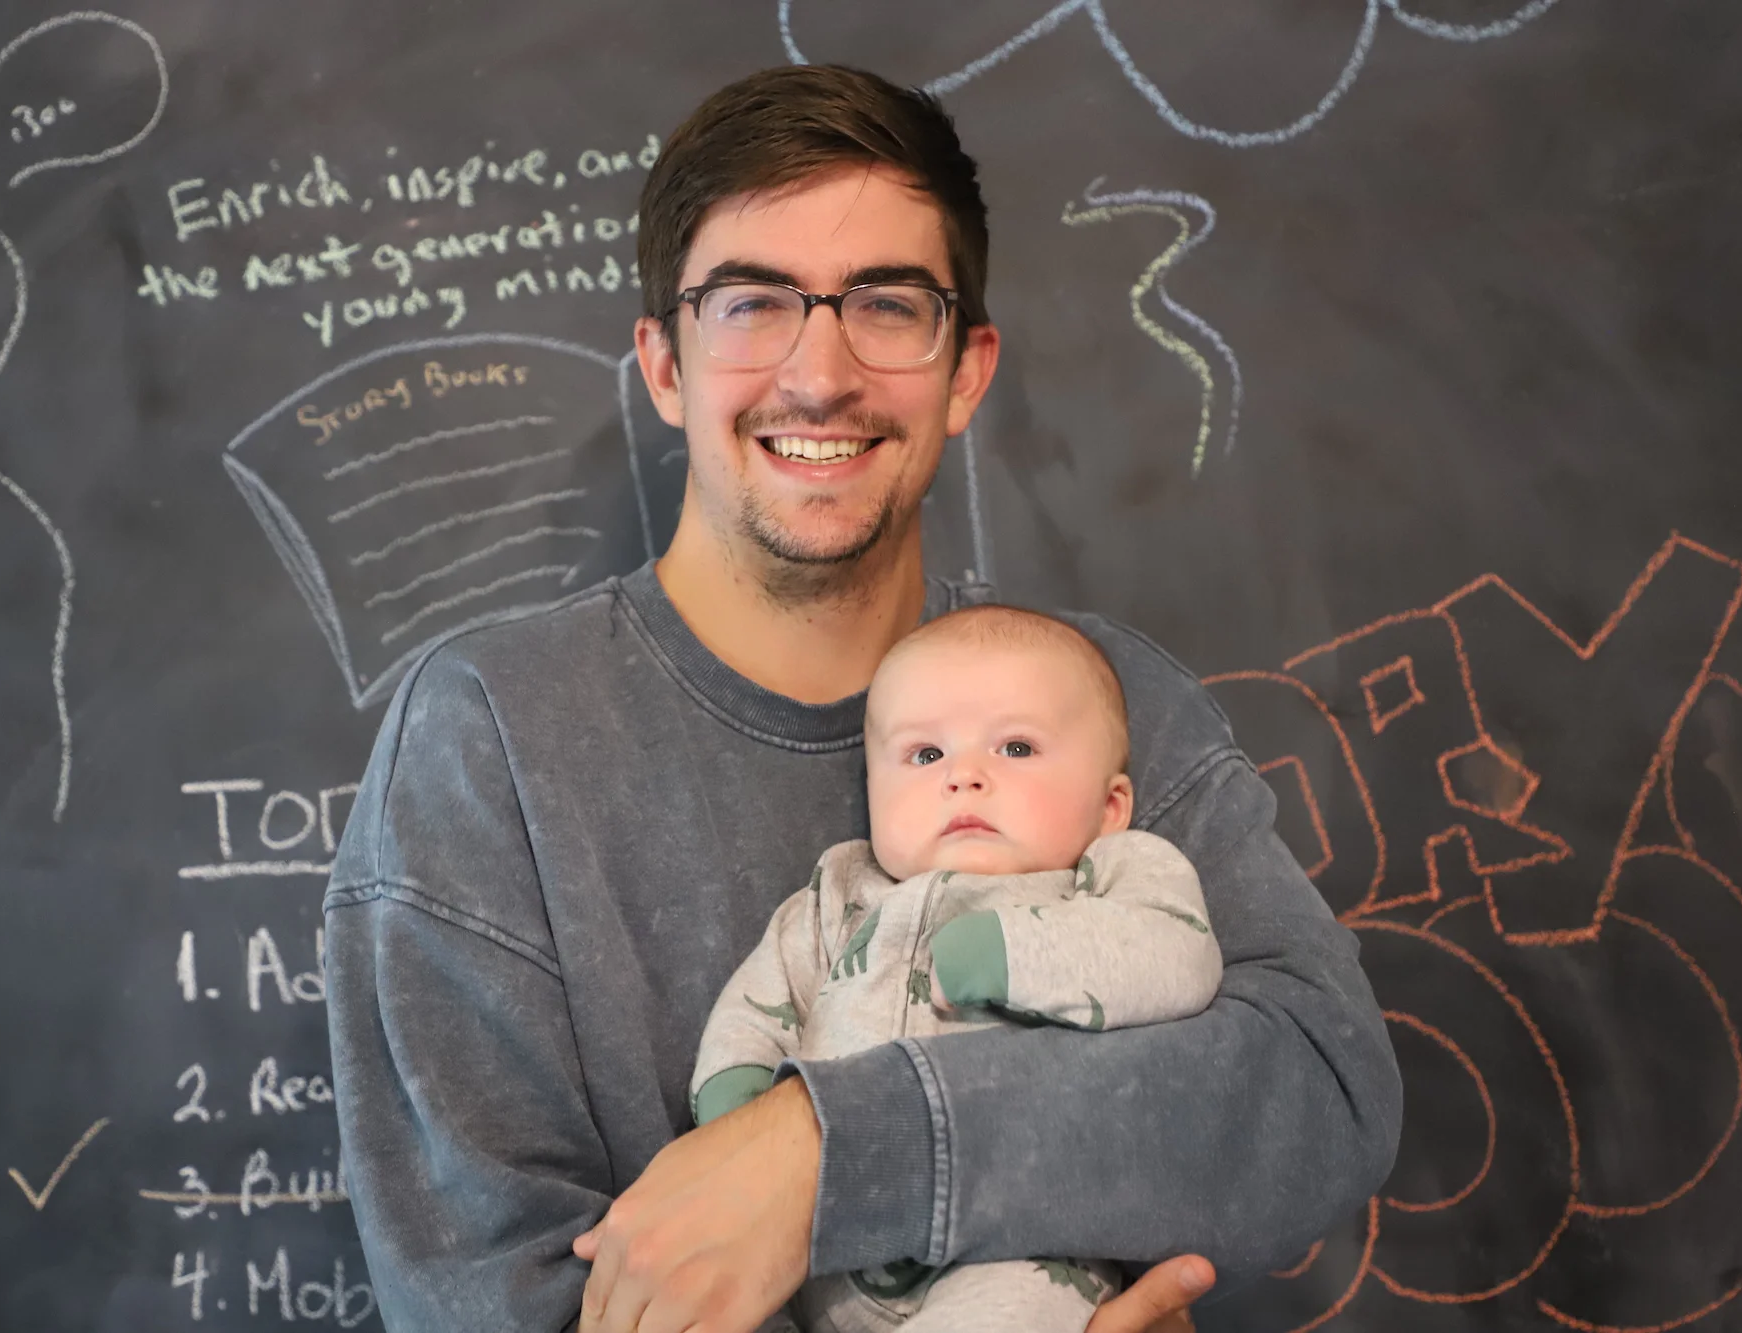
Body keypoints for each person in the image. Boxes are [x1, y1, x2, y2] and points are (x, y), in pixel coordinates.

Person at [325, 63, 1401, 1333]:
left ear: (965, 368)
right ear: (664, 365)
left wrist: (822, 1152)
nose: (819, 373)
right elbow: (488, 1296)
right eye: (750, 303)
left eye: (887, 304)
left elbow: (1317, 1088)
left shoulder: (1099, 694)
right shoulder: (485, 742)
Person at [689, 604, 1225, 1333]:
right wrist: (735, 1101)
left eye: (1015, 746)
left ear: (1110, 805)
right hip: (822, 1252)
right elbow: (763, 998)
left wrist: (1012, 953)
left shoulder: (1111, 876)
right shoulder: (837, 893)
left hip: (1017, 1245)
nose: (965, 777)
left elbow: (1178, 957)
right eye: (925, 756)